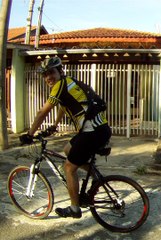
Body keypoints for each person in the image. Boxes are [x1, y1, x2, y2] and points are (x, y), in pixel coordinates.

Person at [20, 57, 111, 218]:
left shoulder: (60, 85)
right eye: (45, 75)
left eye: (51, 73)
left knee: (68, 167)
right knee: (67, 149)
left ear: (60, 71)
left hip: (92, 131)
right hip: (97, 129)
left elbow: (42, 112)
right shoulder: (69, 82)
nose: (48, 77)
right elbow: (63, 107)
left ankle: (75, 209)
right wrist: (54, 126)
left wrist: (29, 135)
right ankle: (96, 178)